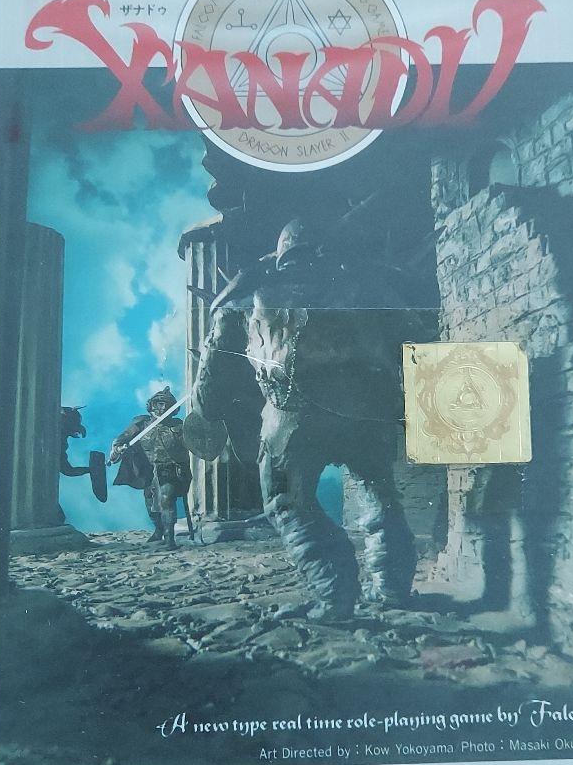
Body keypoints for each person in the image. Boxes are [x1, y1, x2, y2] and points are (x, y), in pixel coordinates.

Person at [190, 218, 424, 621]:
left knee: (287, 503)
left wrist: (205, 410)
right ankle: (391, 587)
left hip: (290, 420)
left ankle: (335, 595)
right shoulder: (366, 288)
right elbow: (410, 340)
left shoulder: (245, 297)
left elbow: (214, 369)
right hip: (366, 415)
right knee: (380, 496)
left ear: (281, 252)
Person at [109, 387, 191, 549]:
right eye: (159, 403)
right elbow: (122, 439)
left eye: (167, 404)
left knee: (167, 500)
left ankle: (169, 538)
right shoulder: (141, 424)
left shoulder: (178, 426)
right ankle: (158, 530)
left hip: (170, 469)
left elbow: (192, 444)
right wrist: (118, 448)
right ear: (152, 405)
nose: (163, 407)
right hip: (148, 470)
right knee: (150, 503)